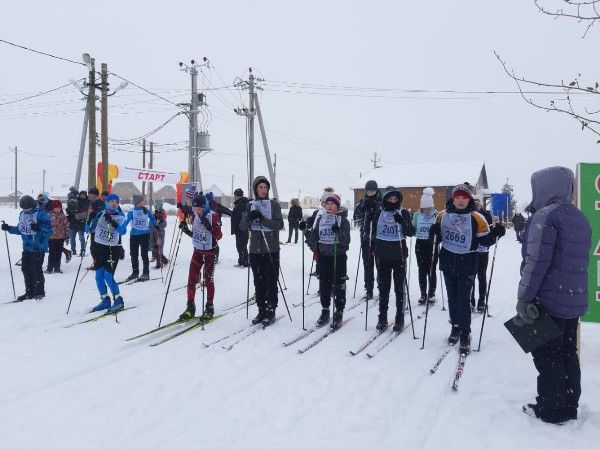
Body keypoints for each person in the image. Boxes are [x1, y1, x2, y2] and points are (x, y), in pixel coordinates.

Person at [516, 167, 591, 424]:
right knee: (568, 352)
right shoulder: (578, 216)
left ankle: (551, 408)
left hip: (547, 298)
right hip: (572, 298)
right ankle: (569, 403)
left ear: (543, 187)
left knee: (547, 354)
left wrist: (524, 297)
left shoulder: (544, 216)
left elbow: (536, 262)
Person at [430, 184, 505, 354]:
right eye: (457, 197)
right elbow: (437, 237)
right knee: (452, 298)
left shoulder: (476, 217)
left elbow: (485, 241)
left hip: (468, 263)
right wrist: (433, 232)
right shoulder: (443, 215)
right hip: (448, 261)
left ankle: (465, 332)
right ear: (453, 199)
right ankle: (455, 327)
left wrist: (497, 232)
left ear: (469, 199)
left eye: (464, 197)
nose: (461, 200)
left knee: (463, 299)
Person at [240, 176, 284, 326]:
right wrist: (249, 218)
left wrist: (263, 219)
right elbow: (242, 226)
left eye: (266, 187)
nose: (263, 190)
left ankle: (271, 308)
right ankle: (261, 308)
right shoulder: (250, 205)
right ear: (255, 189)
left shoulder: (274, 205)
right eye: (260, 187)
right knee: (258, 281)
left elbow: (279, 225)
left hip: (271, 249)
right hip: (255, 250)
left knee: (271, 280)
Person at [372, 187, 415, 331]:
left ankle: (399, 318)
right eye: (390, 199)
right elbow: (374, 231)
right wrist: (372, 248)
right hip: (383, 254)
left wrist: (402, 221)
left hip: (399, 254)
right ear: (385, 199)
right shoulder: (379, 212)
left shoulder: (402, 212)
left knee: (399, 289)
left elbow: (410, 232)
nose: (393, 201)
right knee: (383, 288)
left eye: (395, 199)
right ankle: (382, 317)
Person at [178, 194, 223, 320]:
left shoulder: (212, 216)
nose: (196, 211)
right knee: (191, 279)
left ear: (205, 207)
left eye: (199, 209)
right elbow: (196, 236)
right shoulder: (195, 215)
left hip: (210, 252)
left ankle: (209, 307)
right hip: (197, 251)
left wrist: (209, 226)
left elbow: (219, 236)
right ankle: (190, 307)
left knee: (208, 280)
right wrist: (186, 230)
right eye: (194, 209)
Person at [308, 193, 350, 329]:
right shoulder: (321, 219)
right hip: (324, 256)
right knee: (324, 284)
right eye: (327, 204)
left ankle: (339, 311)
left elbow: (346, 242)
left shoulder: (343, 221)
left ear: (337, 206)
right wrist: (305, 232)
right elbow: (314, 239)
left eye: (332, 204)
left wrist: (339, 232)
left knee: (339, 284)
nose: (329, 206)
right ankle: (325, 310)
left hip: (338, 256)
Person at [1, 195, 52, 301]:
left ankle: (39, 292)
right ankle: (29, 291)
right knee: (25, 269)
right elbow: (21, 229)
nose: (25, 210)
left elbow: (49, 230)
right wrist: (9, 228)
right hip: (27, 247)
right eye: (24, 208)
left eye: (27, 208)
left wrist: (39, 228)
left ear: (32, 205)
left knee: (36, 270)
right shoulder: (22, 214)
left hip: (38, 247)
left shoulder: (41, 214)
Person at [86, 193, 127, 313]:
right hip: (99, 247)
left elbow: (123, 231)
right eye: (111, 201)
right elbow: (88, 229)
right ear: (107, 202)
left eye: (116, 201)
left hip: (112, 249)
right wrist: (90, 220)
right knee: (98, 276)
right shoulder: (100, 213)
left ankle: (118, 300)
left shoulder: (120, 215)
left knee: (108, 276)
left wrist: (113, 222)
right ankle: (105, 300)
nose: (114, 203)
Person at [353, 180, 381, 299]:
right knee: (367, 263)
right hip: (365, 236)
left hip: (379, 236)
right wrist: (363, 212)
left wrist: (375, 213)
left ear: (376, 190)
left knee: (380, 264)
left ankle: (381, 288)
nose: (370, 193)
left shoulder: (381, 202)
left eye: (372, 191)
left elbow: (384, 216)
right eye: (368, 191)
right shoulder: (362, 202)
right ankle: (368, 289)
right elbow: (355, 217)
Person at [122, 194, 156, 282]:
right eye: (143, 200)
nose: (145, 202)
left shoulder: (146, 210)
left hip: (145, 234)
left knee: (144, 254)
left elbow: (152, 218)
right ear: (138, 202)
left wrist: (156, 225)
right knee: (134, 254)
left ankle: (146, 273)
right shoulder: (131, 211)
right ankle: (135, 272)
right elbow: (126, 221)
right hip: (134, 235)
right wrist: (122, 228)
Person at [413, 188, 438, 305]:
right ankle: (423, 294)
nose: (427, 210)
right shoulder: (417, 215)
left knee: (431, 270)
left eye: (429, 208)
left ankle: (432, 293)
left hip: (432, 245)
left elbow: (441, 231)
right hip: (420, 244)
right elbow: (413, 229)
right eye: (425, 208)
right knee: (421, 270)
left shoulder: (437, 215)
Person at [205, 191, 231, 264]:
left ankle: (214, 257)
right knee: (213, 241)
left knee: (211, 241)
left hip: (212, 226)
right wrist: (232, 213)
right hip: (212, 226)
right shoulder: (215, 205)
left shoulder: (213, 205)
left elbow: (226, 211)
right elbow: (227, 211)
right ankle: (213, 257)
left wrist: (232, 213)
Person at [46, 200, 69, 274]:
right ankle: (49, 268)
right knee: (52, 253)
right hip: (51, 237)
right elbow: (46, 226)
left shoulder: (63, 216)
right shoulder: (49, 215)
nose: (57, 209)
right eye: (55, 208)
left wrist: (67, 236)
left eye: (59, 207)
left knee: (58, 253)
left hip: (61, 237)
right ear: (53, 208)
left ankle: (57, 268)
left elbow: (66, 226)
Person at [67, 190, 89, 257]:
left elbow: (86, 214)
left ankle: (82, 251)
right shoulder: (75, 201)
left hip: (81, 223)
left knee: (81, 238)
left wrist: (78, 214)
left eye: (84, 195)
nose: (82, 196)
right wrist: (70, 212)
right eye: (81, 195)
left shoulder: (87, 202)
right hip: (73, 223)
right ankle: (73, 251)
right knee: (72, 238)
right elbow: (70, 211)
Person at [231, 188, 249, 267]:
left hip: (242, 229)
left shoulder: (242, 204)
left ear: (239, 196)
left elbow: (242, 216)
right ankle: (241, 261)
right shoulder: (239, 203)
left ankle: (245, 261)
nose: (235, 197)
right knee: (240, 246)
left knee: (242, 246)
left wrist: (241, 225)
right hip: (239, 229)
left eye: (236, 195)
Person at [87, 187, 105, 265]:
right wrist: (88, 224)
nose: (89, 197)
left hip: (98, 229)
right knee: (93, 247)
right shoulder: (93, 203)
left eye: (90, 195)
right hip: (93, 228)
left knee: (95, 248)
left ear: (95, 195)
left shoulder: (99, 203)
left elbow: (96, 216)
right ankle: (97, 263)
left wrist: (90, 223)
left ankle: (98, 264)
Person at [149, 202, 169, 269]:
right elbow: (150, 226)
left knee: (159, 250)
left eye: (159, 213)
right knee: (155, 250)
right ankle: (165, 260)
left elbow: (164, 224)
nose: (157, 214)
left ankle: (159, 264)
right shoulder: (152, 220)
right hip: (153, 236)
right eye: (156, 213)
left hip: (160, 236)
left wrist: (159, 227)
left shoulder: (162, 220)